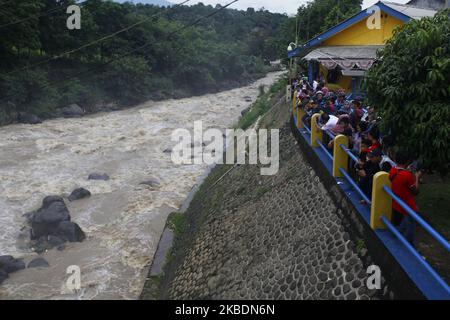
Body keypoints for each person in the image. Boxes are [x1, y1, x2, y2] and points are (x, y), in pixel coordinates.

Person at [389, 151, 422, 246]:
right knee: (410, 225)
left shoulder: (392, 171)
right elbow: (415, 191)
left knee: (401, 222)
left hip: (397, 202)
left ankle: (397, 235)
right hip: (408, 205)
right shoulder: (407, 175)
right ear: (407, 161)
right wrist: (416, 177)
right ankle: (409, 244)